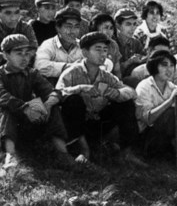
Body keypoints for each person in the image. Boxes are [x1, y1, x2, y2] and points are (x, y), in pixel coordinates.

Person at [0, 34, 75, 171]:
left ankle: (62, 153)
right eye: (19, 53)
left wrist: (48, 104)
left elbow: (53, 91)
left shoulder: (32, 73)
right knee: (7, 108)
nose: (24, 58)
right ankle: (11, 155)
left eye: (27, 54)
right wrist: (24, 107)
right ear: (5, 55)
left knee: (53, 107)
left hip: (24, 122)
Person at [56, 32, 146, 167]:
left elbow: (131, 92)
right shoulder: (71, 72)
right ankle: (83, 150)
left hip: (98, 123)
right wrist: (80, 88)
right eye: (98, 50)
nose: (103, 54)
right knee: (74, 100)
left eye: (105, 50)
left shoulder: (106, 76)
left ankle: (126, 152)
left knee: (126, 103)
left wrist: (113, 93)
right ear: (85, 52)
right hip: (76, 126)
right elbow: (57, 93)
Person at [135, 50, 177, 157]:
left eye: (172, 65)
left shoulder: (172, 87)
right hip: (146, 135)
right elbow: (148, 119)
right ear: (154, 66)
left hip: (165, 134)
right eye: (164, 65)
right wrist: (170, 101)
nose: (169, 69)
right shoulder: (144, 86)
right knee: (170, 112)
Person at [0, 0, 38, 79]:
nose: (13, 18)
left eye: (17, 12)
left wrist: (18, 59)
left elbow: (33, 48)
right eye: (8, 13)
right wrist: (5, 58)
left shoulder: (25, 27)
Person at [35, 7, 84, 85]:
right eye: (68, 26)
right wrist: (68, 67)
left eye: (76, 27)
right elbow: (40, 65)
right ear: (58, 28)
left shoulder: (83, 46)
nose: (73, 31)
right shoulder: (48, 44)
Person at [89, 13, 122, 78]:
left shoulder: (113, 45)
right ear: (96, 28)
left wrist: (120, 84)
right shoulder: (87, 44)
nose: (109, 31)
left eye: (111, 28)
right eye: (106, 28)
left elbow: (117, 70)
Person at [114, 8, 145, 77]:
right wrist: (129, 62)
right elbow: (111, 71)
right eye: (128, 24)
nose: (133, 28)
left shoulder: (136, 43)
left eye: (134, 24)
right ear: (117, 25)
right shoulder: (111, 44)